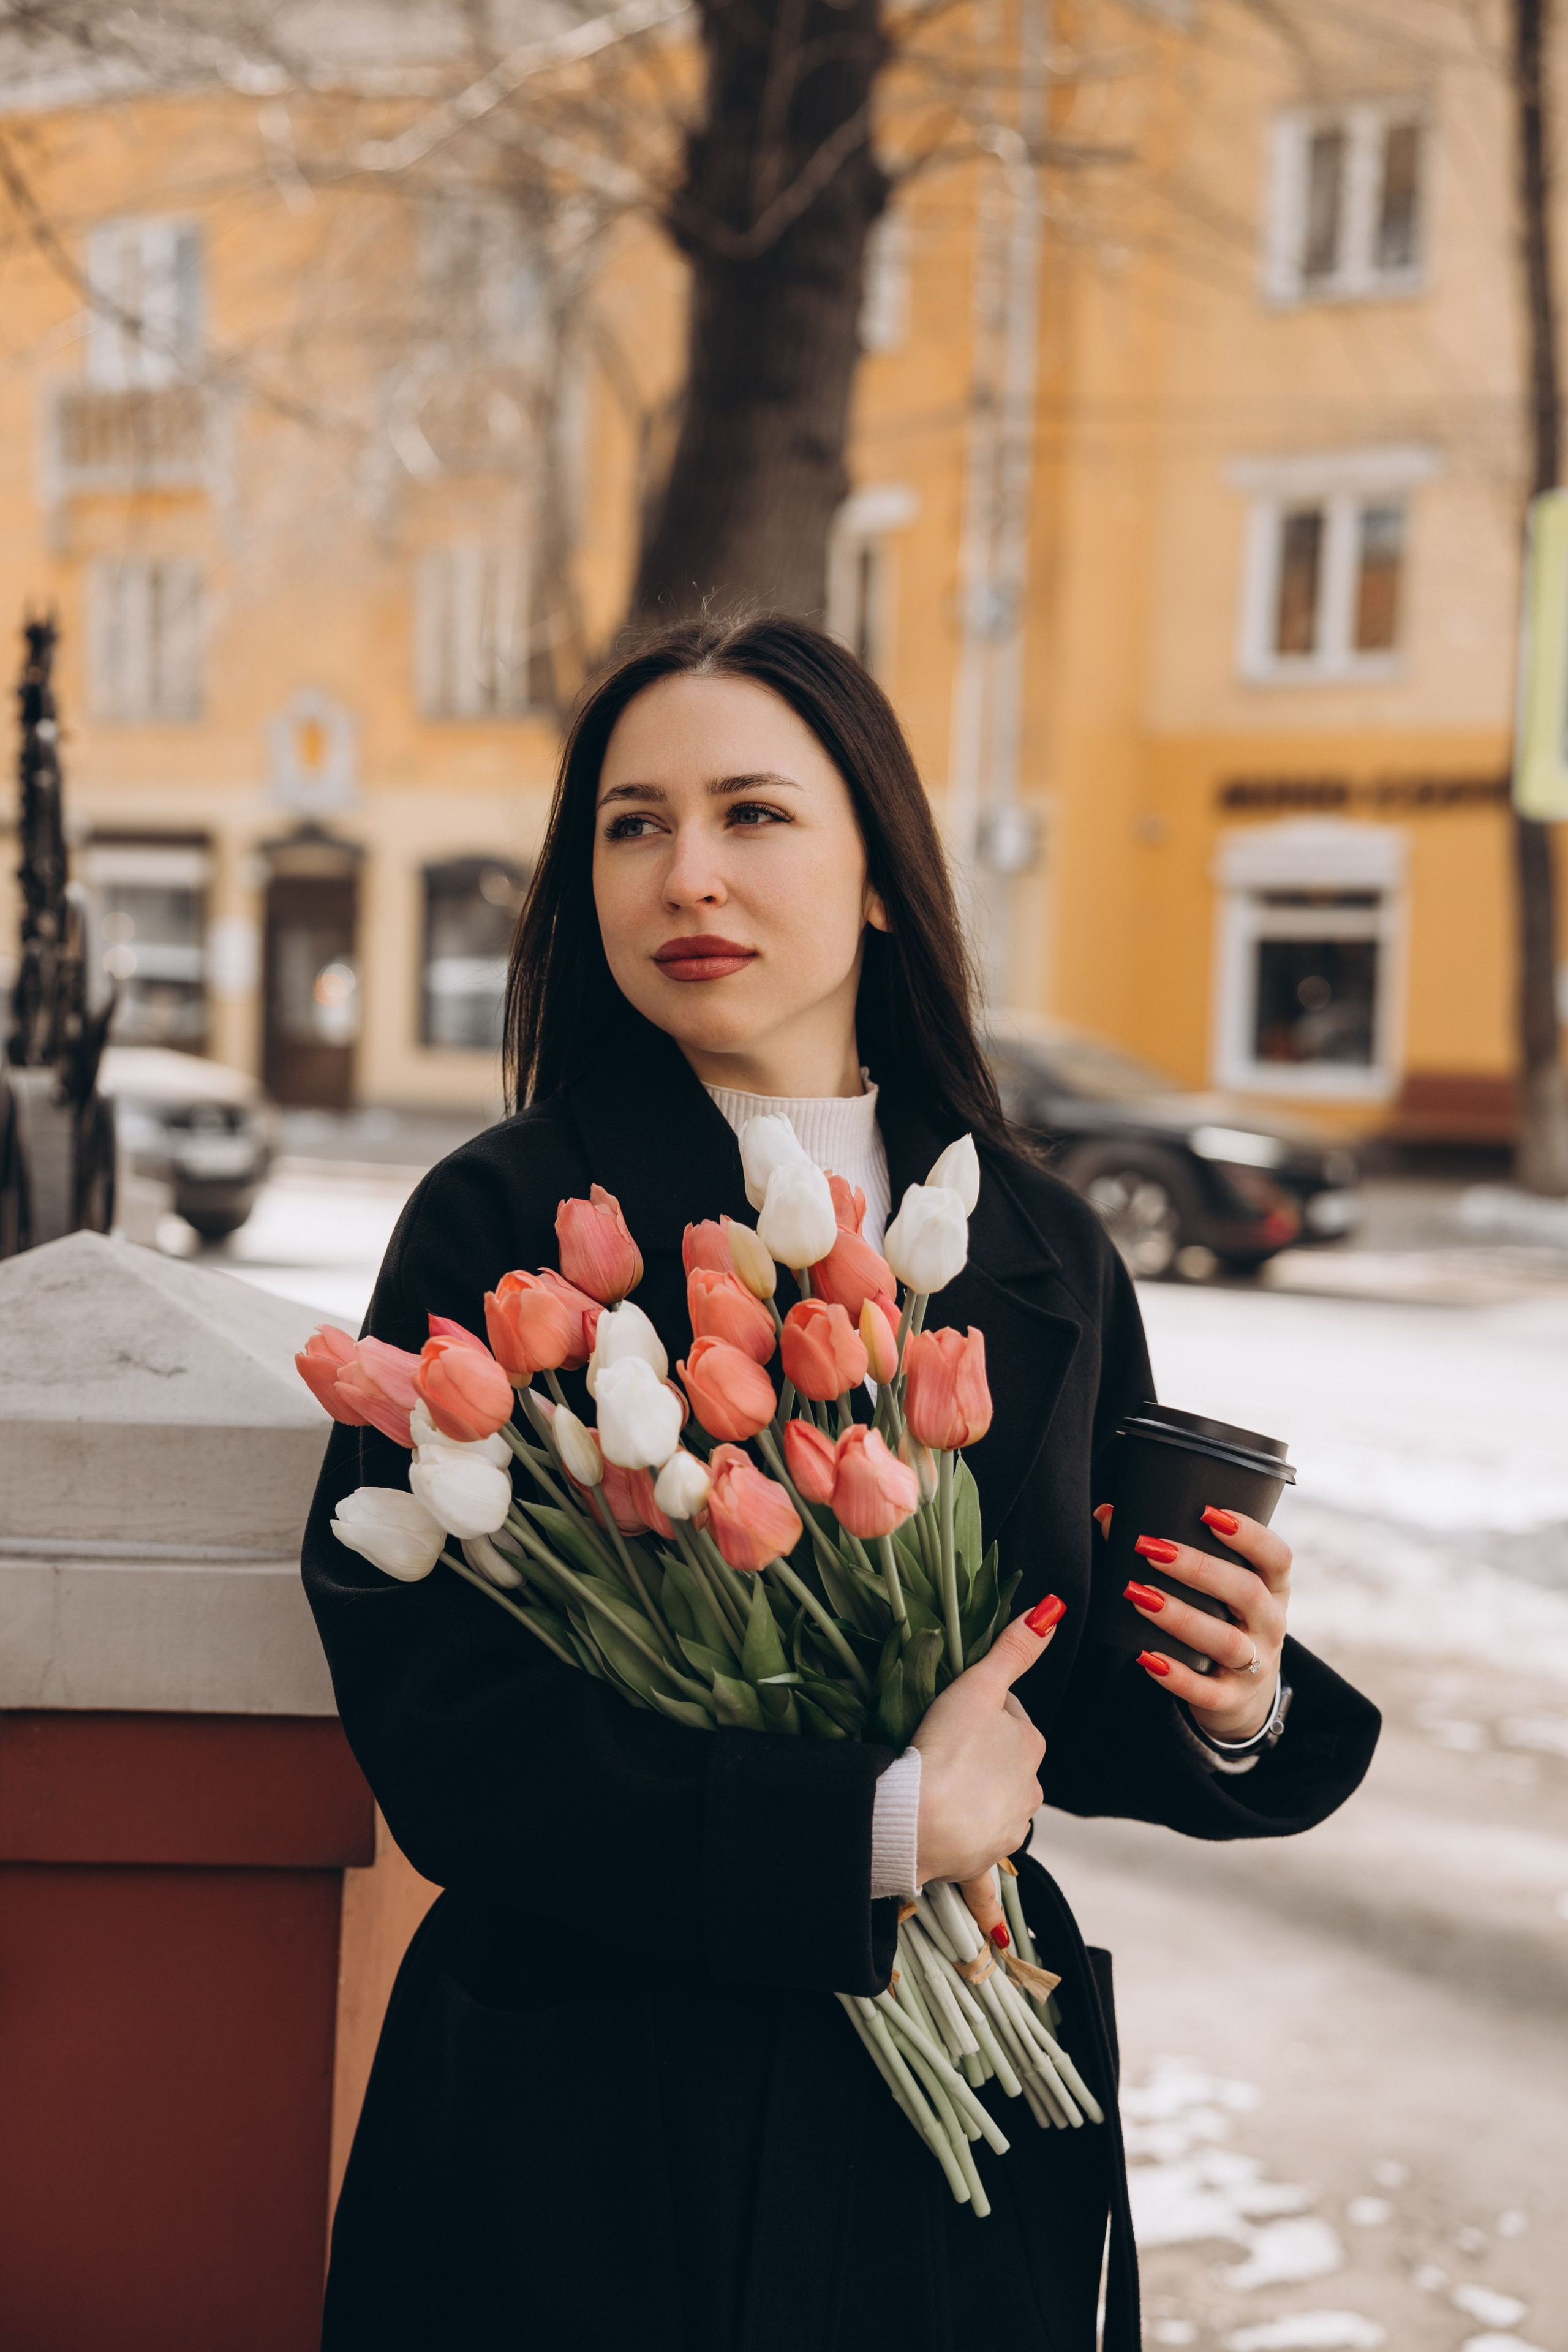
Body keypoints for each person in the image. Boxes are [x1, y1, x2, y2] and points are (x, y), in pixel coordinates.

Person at [303, 613, 1379, 2352]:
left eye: (755, 815)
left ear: (881, 872)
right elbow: (438, 1711)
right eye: (633, 826)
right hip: (591, 2133)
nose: (686, 876)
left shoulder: (1030, 1245)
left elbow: (1056, 1686)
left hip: (941, 2161)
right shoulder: (512, 1230)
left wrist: (1230, 1692)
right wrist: (872, 1829)